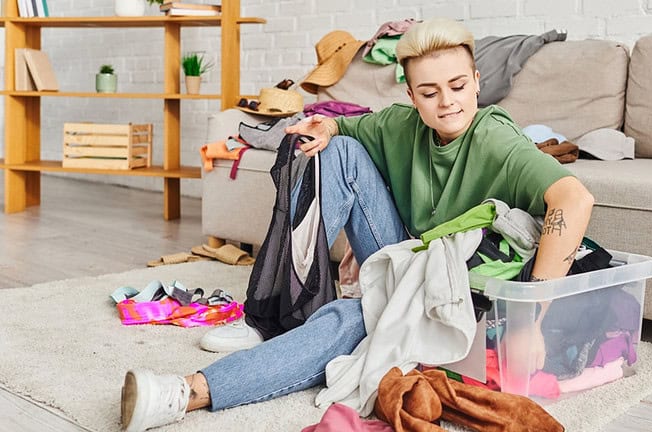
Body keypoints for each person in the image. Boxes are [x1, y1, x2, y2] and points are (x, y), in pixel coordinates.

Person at [119, 18, 594, 432]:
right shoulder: (400, 123)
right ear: (412, 96)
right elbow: (346, 129)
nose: (447, 102)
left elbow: (574, 199)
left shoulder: (496, 139)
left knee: (351, 320)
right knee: (338, 152)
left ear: (476, 81)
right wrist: (326, 127)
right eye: (429, 93)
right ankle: (282, 307)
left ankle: (184, 394)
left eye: (456, 86)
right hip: (407, 260)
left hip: (455, 289)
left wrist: (530, 321)